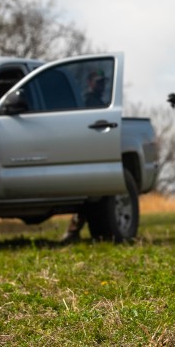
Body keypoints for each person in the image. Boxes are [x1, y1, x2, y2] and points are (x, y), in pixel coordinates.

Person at [62, 69, 109, 244]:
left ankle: (90, 232)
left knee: (95, 196)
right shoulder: (88, 100)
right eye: (98, 82)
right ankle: (74, 231)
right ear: (90, 83)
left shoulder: (99, 101)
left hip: (98, 150)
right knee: (89, 196)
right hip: (88, 150)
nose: (102, 86)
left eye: (103, 82)